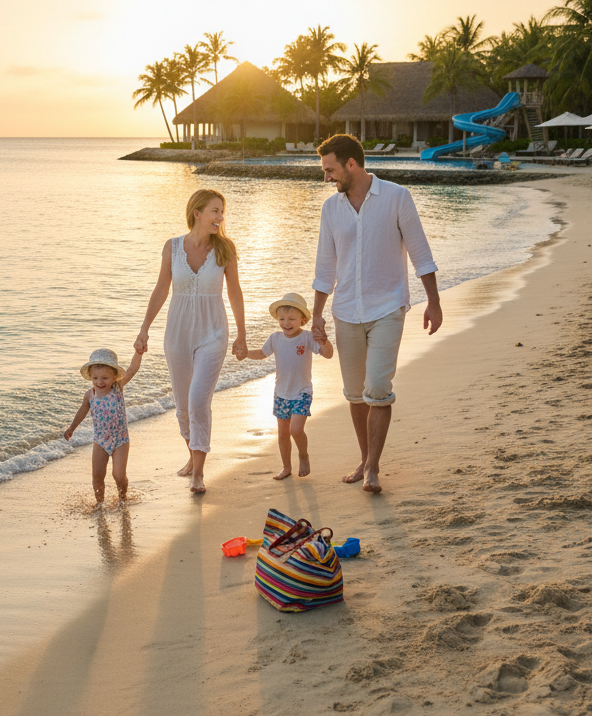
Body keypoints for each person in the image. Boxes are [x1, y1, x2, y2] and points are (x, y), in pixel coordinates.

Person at [311, 134, 442, 494]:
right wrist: (317, 314)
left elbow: (421, 252)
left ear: (351, 165)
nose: (327, 179)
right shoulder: (331, 209)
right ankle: (366, 457)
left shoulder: (397, 197)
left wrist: (434, 301)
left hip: (387, 307)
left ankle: (372, 468)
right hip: (346, 312)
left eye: (331, 170)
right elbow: (325, 266)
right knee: (355, 393)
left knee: (378, 389)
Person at [134, 189, 247, 494]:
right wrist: (144, 328)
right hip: (178, 335)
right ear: (197, 213)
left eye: (222, 211)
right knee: (183, 406)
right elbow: (160, 290)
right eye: (215, 211)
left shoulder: (225, 249)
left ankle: (198, 473)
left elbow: (235, 292)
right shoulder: (172, 247)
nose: (220, 217)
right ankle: (191, 456)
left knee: (199, 401)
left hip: (213, 333)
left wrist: (241, 333)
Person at [243, 291, 333, 480]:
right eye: (282, 318)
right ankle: (286, 467)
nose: (286, 323)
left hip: (302, 392)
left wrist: (324, 341)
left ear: (302, 319)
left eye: (292, 318)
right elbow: (261, 353)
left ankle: (303, 455)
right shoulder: (275, 338)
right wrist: (245, 353)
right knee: (283, 433)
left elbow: (328, 354)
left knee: (295, 430)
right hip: (281, 393)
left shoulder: (307, 338)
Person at [64, 347, 142, 505]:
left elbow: (132, 370)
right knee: (97, 476)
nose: (100, 382)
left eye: (105, 378)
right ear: (91, 378)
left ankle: (122, 498)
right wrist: (71, 428)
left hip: (120, 439)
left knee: (119, 475)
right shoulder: (90, 395)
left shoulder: (117, 388)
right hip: (100, 441)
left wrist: (138, 352)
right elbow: (82, 412)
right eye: (95, 378)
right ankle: (99, 504)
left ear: (114, 377)